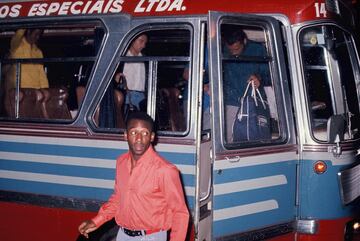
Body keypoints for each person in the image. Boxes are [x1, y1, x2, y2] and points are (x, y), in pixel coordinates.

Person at [78, 112, 189, 241]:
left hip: (151, 236)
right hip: (123, 234)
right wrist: (96, 221)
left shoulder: (165, 170)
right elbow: (118, 199)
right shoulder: (121, 163)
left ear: (152, 137)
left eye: (145, 133)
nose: (139, 138)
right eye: (133, 132)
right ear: (125, 135)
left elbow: (180, 213)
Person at [222, 27, 270, 142]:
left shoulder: (258, 49)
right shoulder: (223, 49)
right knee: (229, 139)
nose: (233, 53)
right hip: (232, 102)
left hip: (254, 102)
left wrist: (259, 78)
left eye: (236, 49)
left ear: (244, 41)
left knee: (257, 139)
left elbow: (270, 75)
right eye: (230, 50)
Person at [114, 34, 148, 110]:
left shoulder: (145, 59)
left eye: (145, 43)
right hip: (126, 94)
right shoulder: (121, 57)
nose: (143, 45)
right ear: (132, 40)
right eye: (141, 41)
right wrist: (116, 80)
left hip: (142, 96)